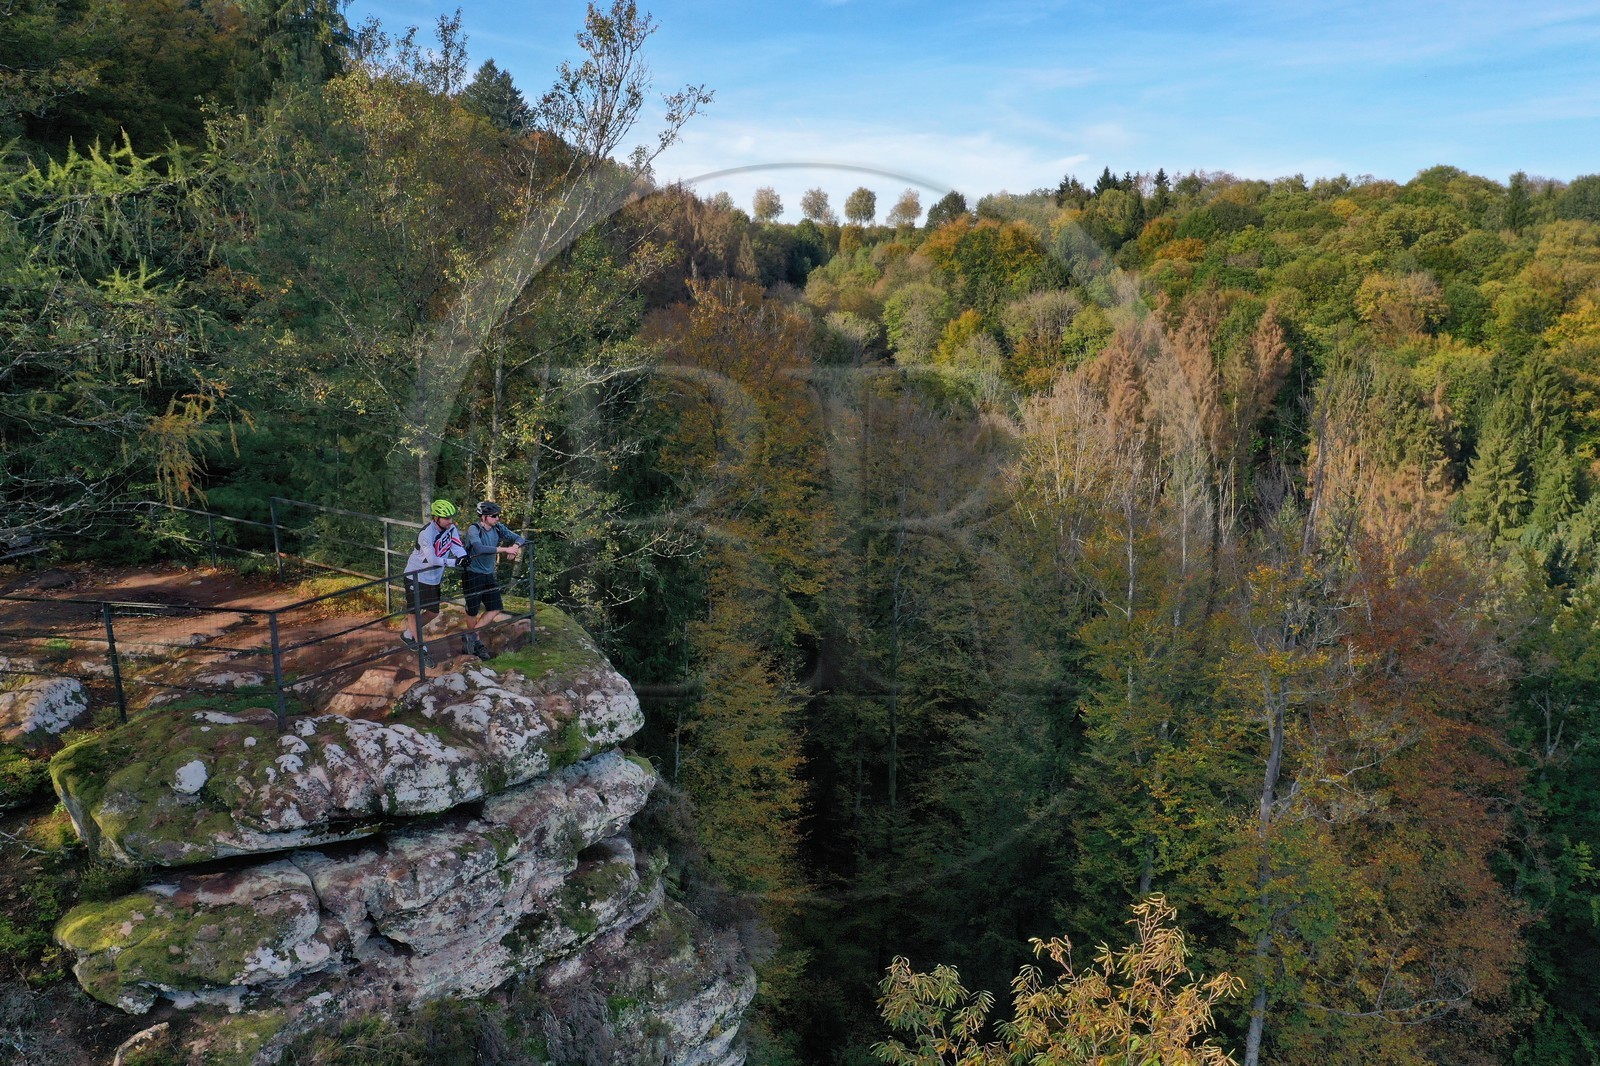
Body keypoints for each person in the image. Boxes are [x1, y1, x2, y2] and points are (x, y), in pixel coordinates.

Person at [400, 499, 467, 666]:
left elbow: (456, 546)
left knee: (433, 612)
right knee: (414, 612)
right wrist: (454, 563)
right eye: (446, 518)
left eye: (451, 517)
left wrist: (463, 557)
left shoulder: (451, 529)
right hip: (415, 575)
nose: (450, 521)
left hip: (433, 578)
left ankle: (408, 634)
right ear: (436, 518)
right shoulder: (426, 534)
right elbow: (432, 560)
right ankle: (422, 649)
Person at [460, 500, 526, 659]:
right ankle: (475, 642)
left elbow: (519, 538)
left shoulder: (498, 528)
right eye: (494, 516)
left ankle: (471, 635)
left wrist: (515, 547)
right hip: (472, 573)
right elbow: (479, 549)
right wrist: (505, 549)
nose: (497, 518)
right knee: (472, 610)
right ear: (484, 517)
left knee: (495, 607)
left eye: (497, 516)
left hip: (488, 574)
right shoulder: (473, 529)